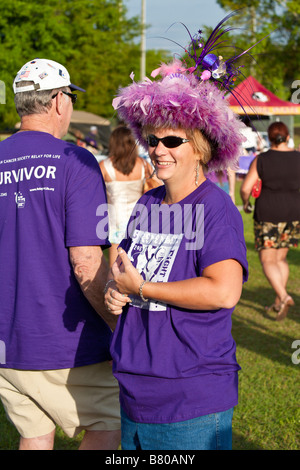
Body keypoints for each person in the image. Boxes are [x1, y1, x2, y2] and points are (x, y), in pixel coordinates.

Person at [102, 15, 253, 450]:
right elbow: (126, 272)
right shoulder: (148, 203)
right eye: (151, 140)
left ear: (200, 147)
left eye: (171, 141)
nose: (157, 150)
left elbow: (224, 292)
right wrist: (118, 290)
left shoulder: (215, 207)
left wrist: (144, 287)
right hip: (135, 391)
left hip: (190, 397)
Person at [0, 58, 120, 450]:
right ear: (56, 101)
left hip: (6, 337)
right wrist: (121, 328)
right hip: (62, 341)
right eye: (68, 96)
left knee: (33, 434)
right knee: (112, 421)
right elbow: (86, 261)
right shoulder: (75, 160)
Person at [240, 121, 300, 321]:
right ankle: (278, 301)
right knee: (280, 259)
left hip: (268, 214)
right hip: (293, 213)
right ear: (288, 137)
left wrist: (246, 203)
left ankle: (283, 296)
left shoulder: (262, 159)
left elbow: (246, 187)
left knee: (267, 260)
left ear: (270, 139)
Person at [100, 125, 160, 267]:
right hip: (139, 215)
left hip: (115, 218)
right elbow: (157, 184)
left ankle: (113, 288)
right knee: (137, 259)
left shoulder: (104, 166)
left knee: (114, 263)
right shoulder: (143, 164)